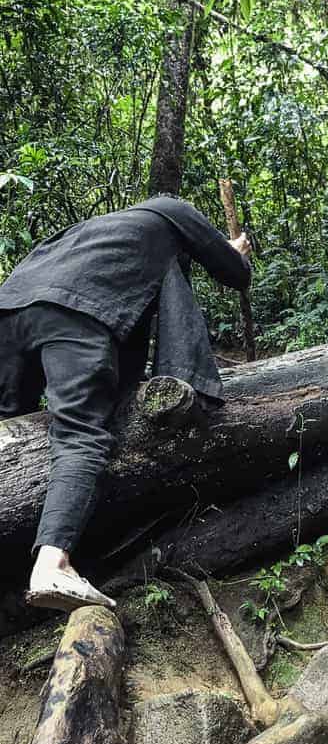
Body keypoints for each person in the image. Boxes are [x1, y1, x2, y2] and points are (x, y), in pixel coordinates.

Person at [0, 195, 251, 612]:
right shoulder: (174, 210)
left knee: (9, 431)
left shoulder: (95, 230)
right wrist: (235, 251)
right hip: (75, 311)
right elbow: (233, 273)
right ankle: (53, 563)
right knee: (80, 437)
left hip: (10, 308)